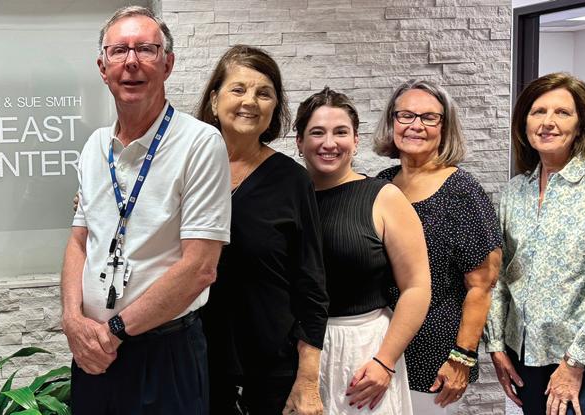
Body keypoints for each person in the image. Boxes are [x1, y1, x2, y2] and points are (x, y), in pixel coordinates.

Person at [61, 6, 231, 414]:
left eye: (146, 49)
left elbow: (200, 268)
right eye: (119, 51)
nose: (132, 61)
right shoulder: (95, 146)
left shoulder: (200, 144)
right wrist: (72, 321)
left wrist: (114, 332)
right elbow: (79, 241)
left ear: (167, 63)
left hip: (163, 354)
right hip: (93, 351)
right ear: (103, 68)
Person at [194, 45, 327, 415]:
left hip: (269, 372)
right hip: (194, 360)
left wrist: (308, 379)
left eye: (264, 93)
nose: (250, 101)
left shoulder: (292, 181)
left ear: (275, 107)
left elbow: (311, 284)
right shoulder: (185, 169)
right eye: (238, 89)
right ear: (214, 99)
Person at [293, 88, 432, 414]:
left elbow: (417, 287)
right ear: (299, 141)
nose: (329, 143)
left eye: (341, 132)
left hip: (364, 351)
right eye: (317, 132)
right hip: (298, 352)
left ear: (356, 140)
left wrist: (385, 361)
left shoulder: (384, 197)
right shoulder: (287, 199)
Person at [485, 72, 585, 415]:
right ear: (524, 123)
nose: (548, 122)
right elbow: (498, 276)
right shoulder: (515, 191)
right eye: (538, 112)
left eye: (562, 112)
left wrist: (574, 362)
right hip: (525, 351)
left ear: (581, 125)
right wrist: (496, 344)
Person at [372, 80, 503, 413]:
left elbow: (482, 285)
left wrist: (462, 358)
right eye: (405, 115)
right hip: (379, 346)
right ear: (391, 122)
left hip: (434, 354)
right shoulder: (381, 184)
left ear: (444, 127)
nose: (415, 125)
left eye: (429, 117)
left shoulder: (462, 191)